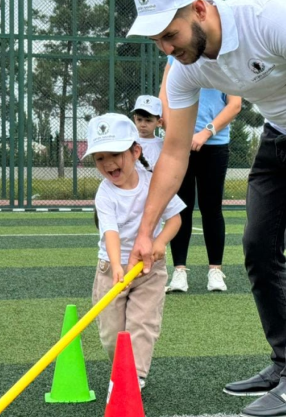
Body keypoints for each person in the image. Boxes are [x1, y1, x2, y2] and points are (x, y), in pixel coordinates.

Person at [126, 0, 286, 417]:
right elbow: (175, 153)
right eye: (156, 38)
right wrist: (146, 230)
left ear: (200, 9)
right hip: (281, 129)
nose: (166, 47)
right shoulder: (183, 68)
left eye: (170, 33)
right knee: (257, 247)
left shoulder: (268, 18)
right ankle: (282, 364)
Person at [86, 113, 185, 389]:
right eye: (100, 158)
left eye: (115, 154)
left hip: (148, 270)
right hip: (111, 270)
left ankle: (134, 377)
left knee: (142, 324)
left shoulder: (154, 182)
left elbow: (175, 219)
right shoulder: (104, 193)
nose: (108, 163)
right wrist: (117, 266)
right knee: (111, 333)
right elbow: (110, 233)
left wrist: (159, 242)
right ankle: (122, 367)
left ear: (135, 150)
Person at [160, 56, 242, 293]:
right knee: (180, 207)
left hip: (215, 145)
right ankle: (179, 272)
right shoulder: (175, 57)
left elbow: (234, 104)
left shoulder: (226, 60)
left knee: (211, 208)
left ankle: (215, 271)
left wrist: (206, 133)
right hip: (180, 145)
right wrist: (175, 131)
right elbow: (164, 95)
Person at [132, 94, 164, 169]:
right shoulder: (129, 142)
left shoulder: (162, 145)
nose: (143, 124)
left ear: (159, 122)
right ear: (134, 119)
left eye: (148, 120)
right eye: (139, 119)